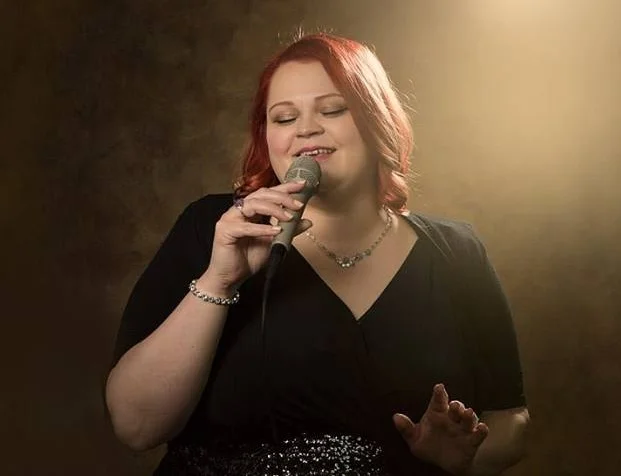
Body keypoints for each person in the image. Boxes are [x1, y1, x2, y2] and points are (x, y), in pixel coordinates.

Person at [105, 32, 530, 476]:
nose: (305, 128)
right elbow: (136, 427)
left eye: (332, 109)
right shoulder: (213, 228)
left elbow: (512, 420)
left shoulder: (456, 253)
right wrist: (219, 280)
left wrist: (462, 459)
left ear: (377, 120)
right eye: (284, 117)